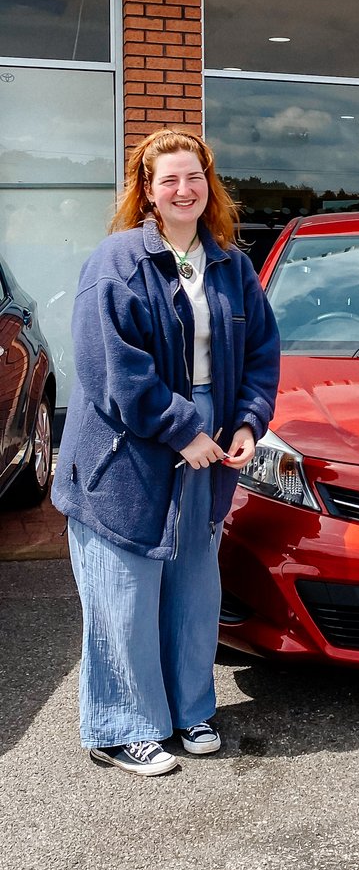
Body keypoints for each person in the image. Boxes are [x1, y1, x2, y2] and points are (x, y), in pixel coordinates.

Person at [52, 128, 280, 774]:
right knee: (123, 591)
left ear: (210, 186)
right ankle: (123, 727)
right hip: (126, 450)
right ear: (147, 191)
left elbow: (261, 352)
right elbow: (112, 370)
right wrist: (184, 427)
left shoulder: (232, 265)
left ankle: (190, 710)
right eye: (170, 179)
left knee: (194, 585)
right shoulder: (117, 262)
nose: (185, 190)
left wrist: (247, 422)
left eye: (195, 177)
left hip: (210, 440)